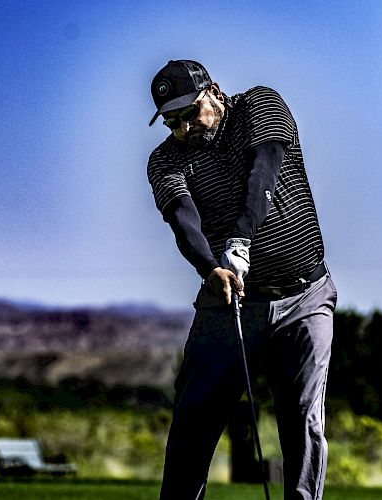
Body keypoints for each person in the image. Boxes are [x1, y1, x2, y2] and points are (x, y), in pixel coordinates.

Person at [147, 60, 337, 500]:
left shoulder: (259, 104)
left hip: (305, 296)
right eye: (171, 121)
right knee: (193, 421)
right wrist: (208, 266)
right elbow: (182, 219)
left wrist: (241, 239)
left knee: (303, 423)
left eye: (190, 113)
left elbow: (264, 169)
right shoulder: (164, 159)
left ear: (214, 91)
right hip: (228, 300)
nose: (183, 129)